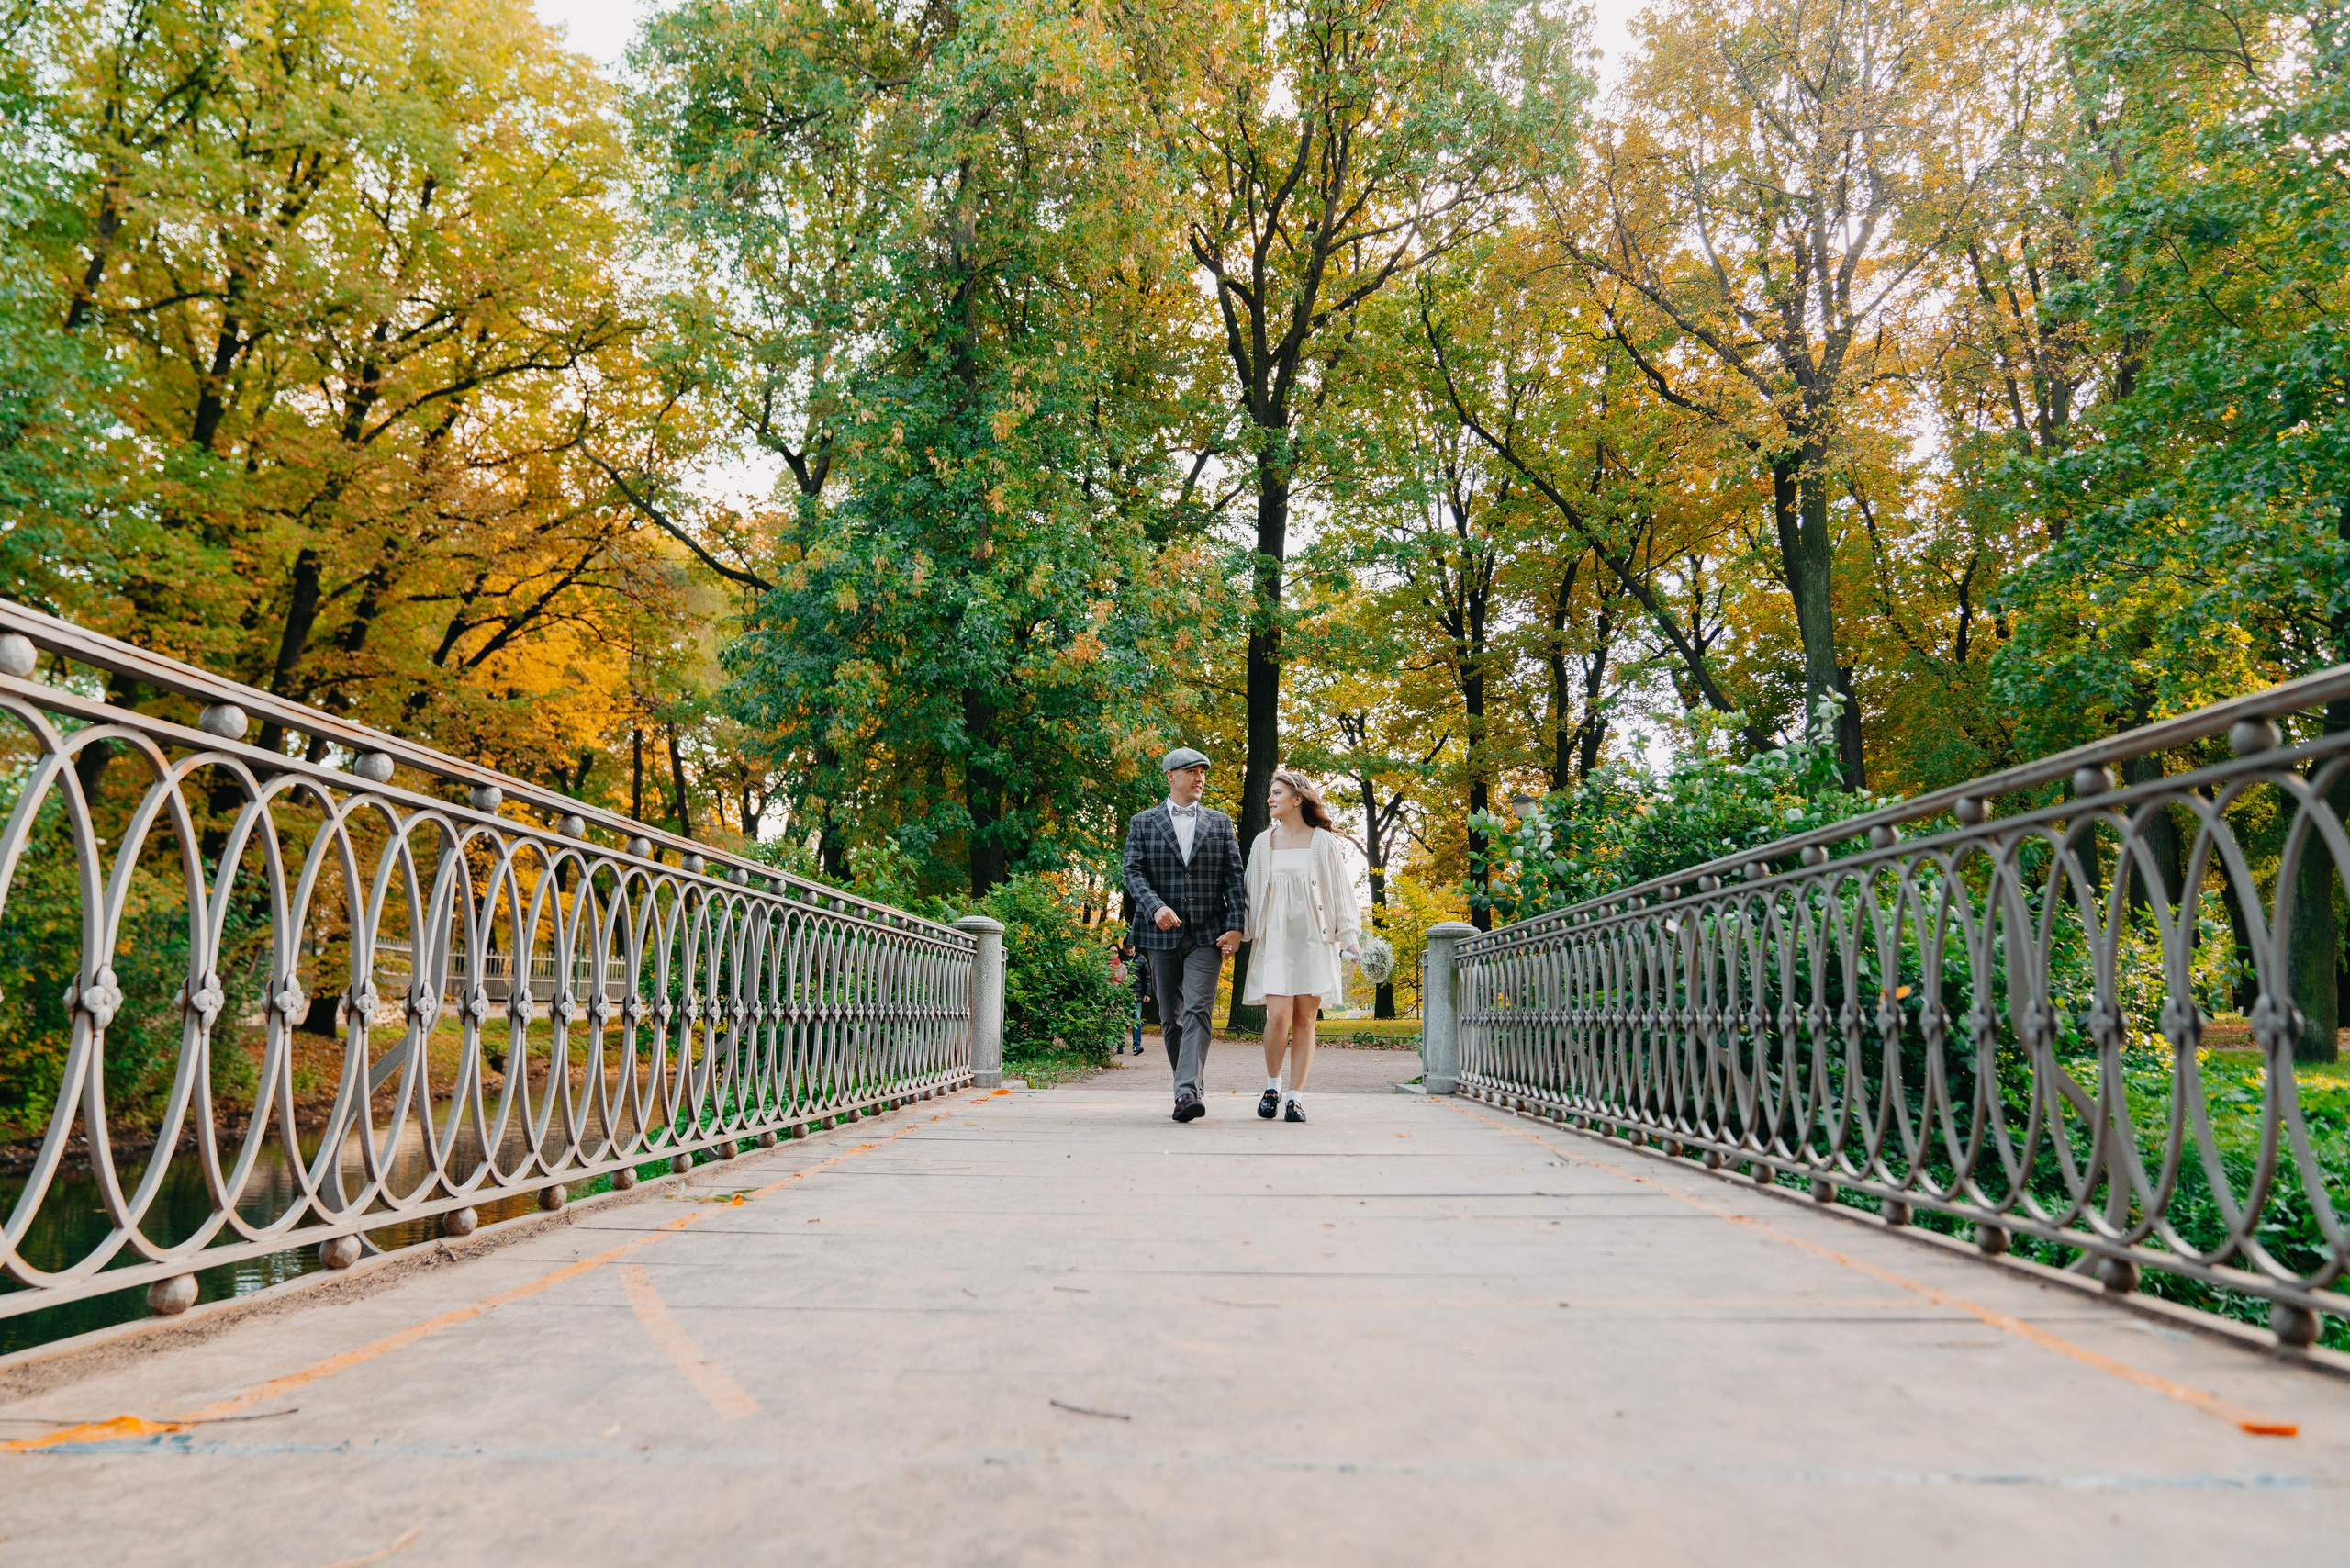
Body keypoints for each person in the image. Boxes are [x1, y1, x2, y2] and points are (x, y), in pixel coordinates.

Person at [1122, 746, 1246, 1122]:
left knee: (1197, 1009)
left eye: (1203, 771)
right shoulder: (1143, 822)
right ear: (1170, 776)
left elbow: (1234, 878)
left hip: (1208, 932)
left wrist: (1237, 926)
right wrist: (1155, 906)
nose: (1199, 778)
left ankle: (1187, 1091)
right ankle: (1186, 1090)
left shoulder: (1221, 822)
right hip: (1159, 934)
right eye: (1191, 771)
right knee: (1170, 1018)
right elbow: (1132, 872)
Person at [1241, 767, 1361, 1124]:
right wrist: (1239, 933)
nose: (1270, 799)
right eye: (1270, 793)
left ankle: (1295, 1097)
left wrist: (1350, 940)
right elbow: (1249, 894)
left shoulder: (1323, 842)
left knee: (1306, 1018)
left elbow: (1340, 893)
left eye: (1277, 793)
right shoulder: (1263, 842)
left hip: (1313, 939)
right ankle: (1272, 1086)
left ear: (1297, 799)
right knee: (1277, 1015)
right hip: (1276, 939)